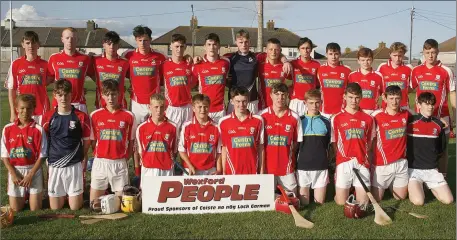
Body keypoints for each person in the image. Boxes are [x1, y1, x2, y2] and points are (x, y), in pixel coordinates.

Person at [42, 79, 91, 210]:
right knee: (55, 208)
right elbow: (44, 140)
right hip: (55, 164)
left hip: (74, 165)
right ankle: (61, 194)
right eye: (60, 95)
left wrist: (81, 156)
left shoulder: (81, 116)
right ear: (55, 95)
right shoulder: (48, 117)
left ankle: (70, 194)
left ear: (71, 95)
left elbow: (87, 141)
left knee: (75, 207)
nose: (63, 98)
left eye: (66, 95)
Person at [410, 39, 456, 177]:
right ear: (423, 53)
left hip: (442, 117)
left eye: (433, 52)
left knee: (442, 149)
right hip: (421, 118)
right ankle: (421, 176)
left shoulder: (446, 71)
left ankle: (442, 177)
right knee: (421, 148)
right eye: (427, 52)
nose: (430, 55)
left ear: (438, 52)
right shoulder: (416, 70)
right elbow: (409, 90)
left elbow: (452, 93)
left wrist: (454, 116)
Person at [222, 29, 292, 114]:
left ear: (249, 42)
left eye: (246, 42)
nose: (244, 45)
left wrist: (285, 61)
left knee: (253, 125)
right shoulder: (229, 57)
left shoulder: (257, 56)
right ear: (236, 42)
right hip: (234, 100)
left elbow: (274, 52)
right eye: (241, 42)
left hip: (252, 100)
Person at [89, 79, 136, 201]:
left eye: (114, 94)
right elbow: (93, 141)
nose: (111, 98)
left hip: (119, 163)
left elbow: (131, 141)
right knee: (94, 204)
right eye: (107, 94)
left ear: (119, 94)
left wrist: (126, 157)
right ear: (102, 95)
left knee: (121, 205)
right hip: (100, 163)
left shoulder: (129, 116)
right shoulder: (94, 115)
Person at [331, 83, 375, 205]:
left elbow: (370, 141)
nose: (353, 101)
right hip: (344, 162)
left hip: (361, 162)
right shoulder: (337, 118)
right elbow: (334, 142)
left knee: (363, 203)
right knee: (340, 202)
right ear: (344, 97)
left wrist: (363, 156)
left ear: (361, 97)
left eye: (356, 97)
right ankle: (349, 189)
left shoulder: (368, 118)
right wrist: (341, 158)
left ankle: (355, 189)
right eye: (350, 97)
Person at [1, 94, 47, 211]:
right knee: (16, 209)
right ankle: (23, 196)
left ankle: (32, 194)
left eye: (28, 108)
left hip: (33, 170)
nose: (25, 111)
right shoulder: (7, 129)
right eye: (22, 108)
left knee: (35, 209)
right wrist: (13, 173)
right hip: (16, 170)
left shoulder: (38, 129)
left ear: (33, 109)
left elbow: (42, 156)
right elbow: (4, 156)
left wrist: (30, 175)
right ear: (16, 108)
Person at [407, 92, 453, 205]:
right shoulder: (410, 122)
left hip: (431, 170)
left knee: (448, 200)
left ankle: (427, 184)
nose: (430, 107)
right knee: (419, 201)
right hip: (414, 170)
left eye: (432, 104)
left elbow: (441, 150)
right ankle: (418, 186)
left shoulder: (438, 124)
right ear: (418, 104)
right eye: (427, 104)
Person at [259, 83, 301, 194]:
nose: (280, 97)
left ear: (287, 95)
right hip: (268, 168)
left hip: (287, 168)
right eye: (276, 94)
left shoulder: (295, 117)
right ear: (271, 95)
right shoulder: (262, 116)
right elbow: (260, 145)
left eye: (283, 94)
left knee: (293, 199)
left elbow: (296, 143)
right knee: (266, 199)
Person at [371, 85, 409, 201]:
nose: (394, 101)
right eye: (391, 98)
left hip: (401, 163)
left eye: (397, 98)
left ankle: (391, 184)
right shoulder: (376, 116)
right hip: (382, 165)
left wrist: (439, 119)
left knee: (401, 197)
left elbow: (423, 116)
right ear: (384, 98)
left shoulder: (407, 114)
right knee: (377, 199)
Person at [7, 31, 51, 125]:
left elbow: (55, 79)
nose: (31, 46)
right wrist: (12, 111)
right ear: (23, 44)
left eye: (33, 42)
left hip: (42, 111)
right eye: (28, 43)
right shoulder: (16, 64)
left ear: (38, 45)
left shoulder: (45, 64)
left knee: (41, 137)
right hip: (23, 110)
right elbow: (12, 90)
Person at [219, 86, 265, 175]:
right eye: (238, 101)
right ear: (232, 101)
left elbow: (261, 147)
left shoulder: (258, 120)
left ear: (248, 101)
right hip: (232, 172)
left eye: (244, 101)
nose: (241, 105)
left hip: (252, 170)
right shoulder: (223, 122)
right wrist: (224, 171)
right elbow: (224, 148)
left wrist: (262, 169)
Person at [296, 89, 331, 205]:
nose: (314, 106)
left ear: (321, 102)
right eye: (311, 103)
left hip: (320, 167)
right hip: (303, 167)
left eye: (317, 102)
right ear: (305, 103)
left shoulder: (327, 122)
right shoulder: (298, 121)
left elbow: (329, 145)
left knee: (319, 203)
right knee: (304, 203)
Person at [48, 27, 93, 114]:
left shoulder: (85, 59)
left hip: (79, 104)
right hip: (59, 103)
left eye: (73, 38)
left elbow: (98, 79)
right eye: (67, 38)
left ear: (77, 40)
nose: (70, 41)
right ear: (62, 39)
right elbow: (46, 81)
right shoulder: (54, 58)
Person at [136, 94, 178, 185]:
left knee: (166, 197)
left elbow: (174, 150)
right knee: (147, 198)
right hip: (148, 169)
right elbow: (140, 151)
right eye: (156, 107)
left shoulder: (173, 127)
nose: (159, 110)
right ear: (149, 107)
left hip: (166, 169)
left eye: (162, 107)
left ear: (165, 107)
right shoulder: (141, 128)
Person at [178, 94, 222, 175]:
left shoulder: (216, 127)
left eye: (205, 106)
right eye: (200, 107)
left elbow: (219, 151)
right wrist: (189, 165)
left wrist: (219, 170)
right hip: (191, 170)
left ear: (209, 108)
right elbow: (181, 150)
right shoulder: (187, 126)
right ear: (193, 108)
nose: (203, 110)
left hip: (210, 171)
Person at [192, 33, 230, 123]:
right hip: (203, 109)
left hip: (220, 109)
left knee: (220, 136)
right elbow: (190, 85)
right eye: (209, 44)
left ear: (219, 46)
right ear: (204, 46)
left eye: (214, 44)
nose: (212, 47)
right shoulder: (198, 65)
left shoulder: (226, 62)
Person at [161, 34, 193, 133]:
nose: (179, 49)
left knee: (186, 138)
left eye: (181, 46)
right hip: (171, 108)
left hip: (187, 107)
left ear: (185, 47)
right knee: (172, 137)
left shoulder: (190, 64)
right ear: (170, 46)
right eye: (176, 46)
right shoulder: (164, 65)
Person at [92, 31, 129, 109]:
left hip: (120, 105)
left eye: (114, 44)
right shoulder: (95, 60)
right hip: (101, 105)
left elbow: (135, 77)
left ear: (118, 46)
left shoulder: (125, 62)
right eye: (109, 44)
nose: (112, 46)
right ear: (104, 45)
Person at [317, 42, 352, 119]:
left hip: (342, 111)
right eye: (330, 54)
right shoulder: (320, 69)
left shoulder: (347, 70)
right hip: (324, 111)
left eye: (336, 54)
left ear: (340, 54)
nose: (333, 57)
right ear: (326, 54)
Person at [289, 37, 321, 117]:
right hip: (296, 102)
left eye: (308, 48)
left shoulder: (317, 65)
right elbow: (287, 82)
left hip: (310, 102)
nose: (305, 50)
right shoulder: (293, 64)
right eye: (303, 48)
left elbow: (317, 86)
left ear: (311, 49)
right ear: (298, 49)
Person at [377, 42, 413, 110]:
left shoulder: (408, 68)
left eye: (400, 56)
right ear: (390, 54)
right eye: (395, 55)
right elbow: (377, 87)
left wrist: (403, 92)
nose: (397, 58)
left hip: (404, 106)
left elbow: (412, 87)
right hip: (386, 107)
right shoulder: (382, 67)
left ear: (403, 54)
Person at [258, 38, 291, 111]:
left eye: (276, 49)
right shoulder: (259, 65)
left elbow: (294, 83)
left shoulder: (285, 66)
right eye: (271, 49)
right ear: (266, 50)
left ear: (280, 51)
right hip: (262, 106)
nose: (273, 52)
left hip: (280, 107)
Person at [348, 47, 383, 115]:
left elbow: (384, 95)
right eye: (363, 60)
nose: (366, 62)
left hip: (373, 112)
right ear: (358, 61)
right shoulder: (352, 75)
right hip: (356, 111)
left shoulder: (379, 76)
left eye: (368, 60)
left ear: (372, 60)